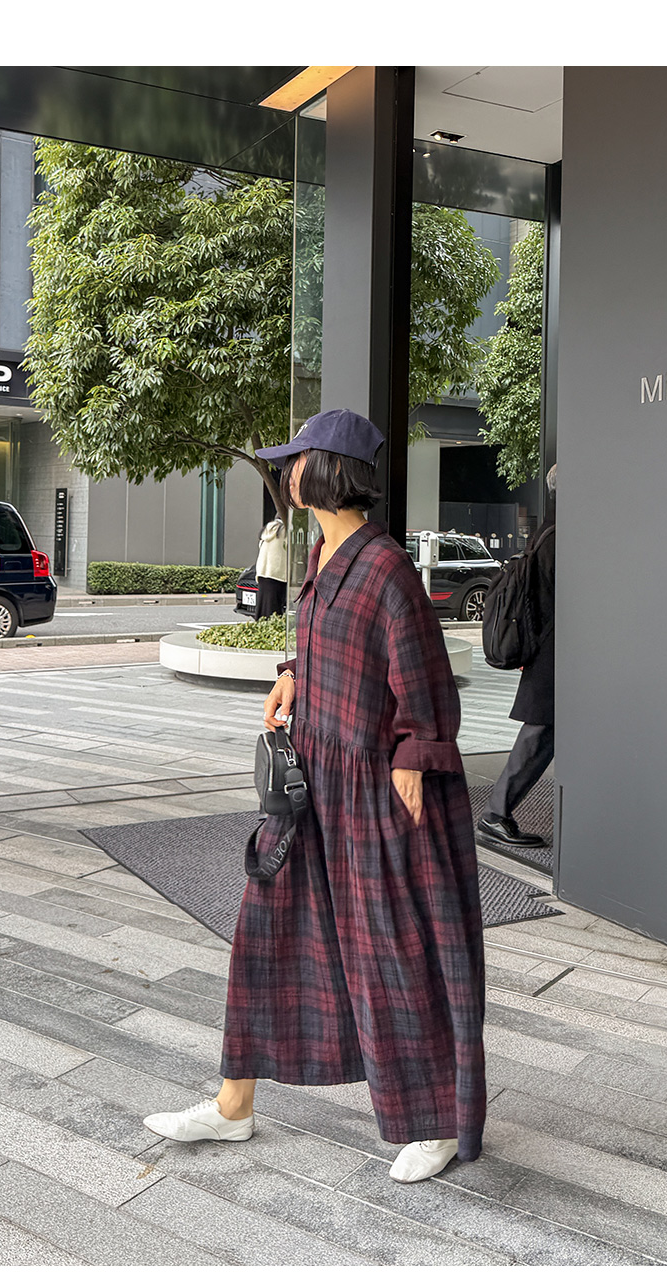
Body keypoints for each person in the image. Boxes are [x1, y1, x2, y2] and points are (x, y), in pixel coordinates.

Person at [144, 408, 486, 1182]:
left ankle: (432, 1120)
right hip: (312, 786)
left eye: (296, 459)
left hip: (374, 792)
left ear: (328, 469)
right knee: (264, 938)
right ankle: (233, 1106)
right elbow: (330, 644)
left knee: (392, 951)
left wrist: (413, 758)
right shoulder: (324, 555)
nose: (286, 470)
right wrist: (293, 675)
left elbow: (424, 681)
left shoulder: (386, 568)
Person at [477, 463, 557, 848]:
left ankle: (497, 812)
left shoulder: (547, 531)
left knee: (542, 736)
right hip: (555, 656)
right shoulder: (561, 537)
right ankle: (496, 813)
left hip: (548, 653)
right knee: (539, 736)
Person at [254, 517, 287, 620]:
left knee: (263, 607)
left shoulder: (266, 530)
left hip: (262, 572)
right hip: (277, 574)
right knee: (274, 609)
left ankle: (261, 626)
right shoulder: (284, 530)